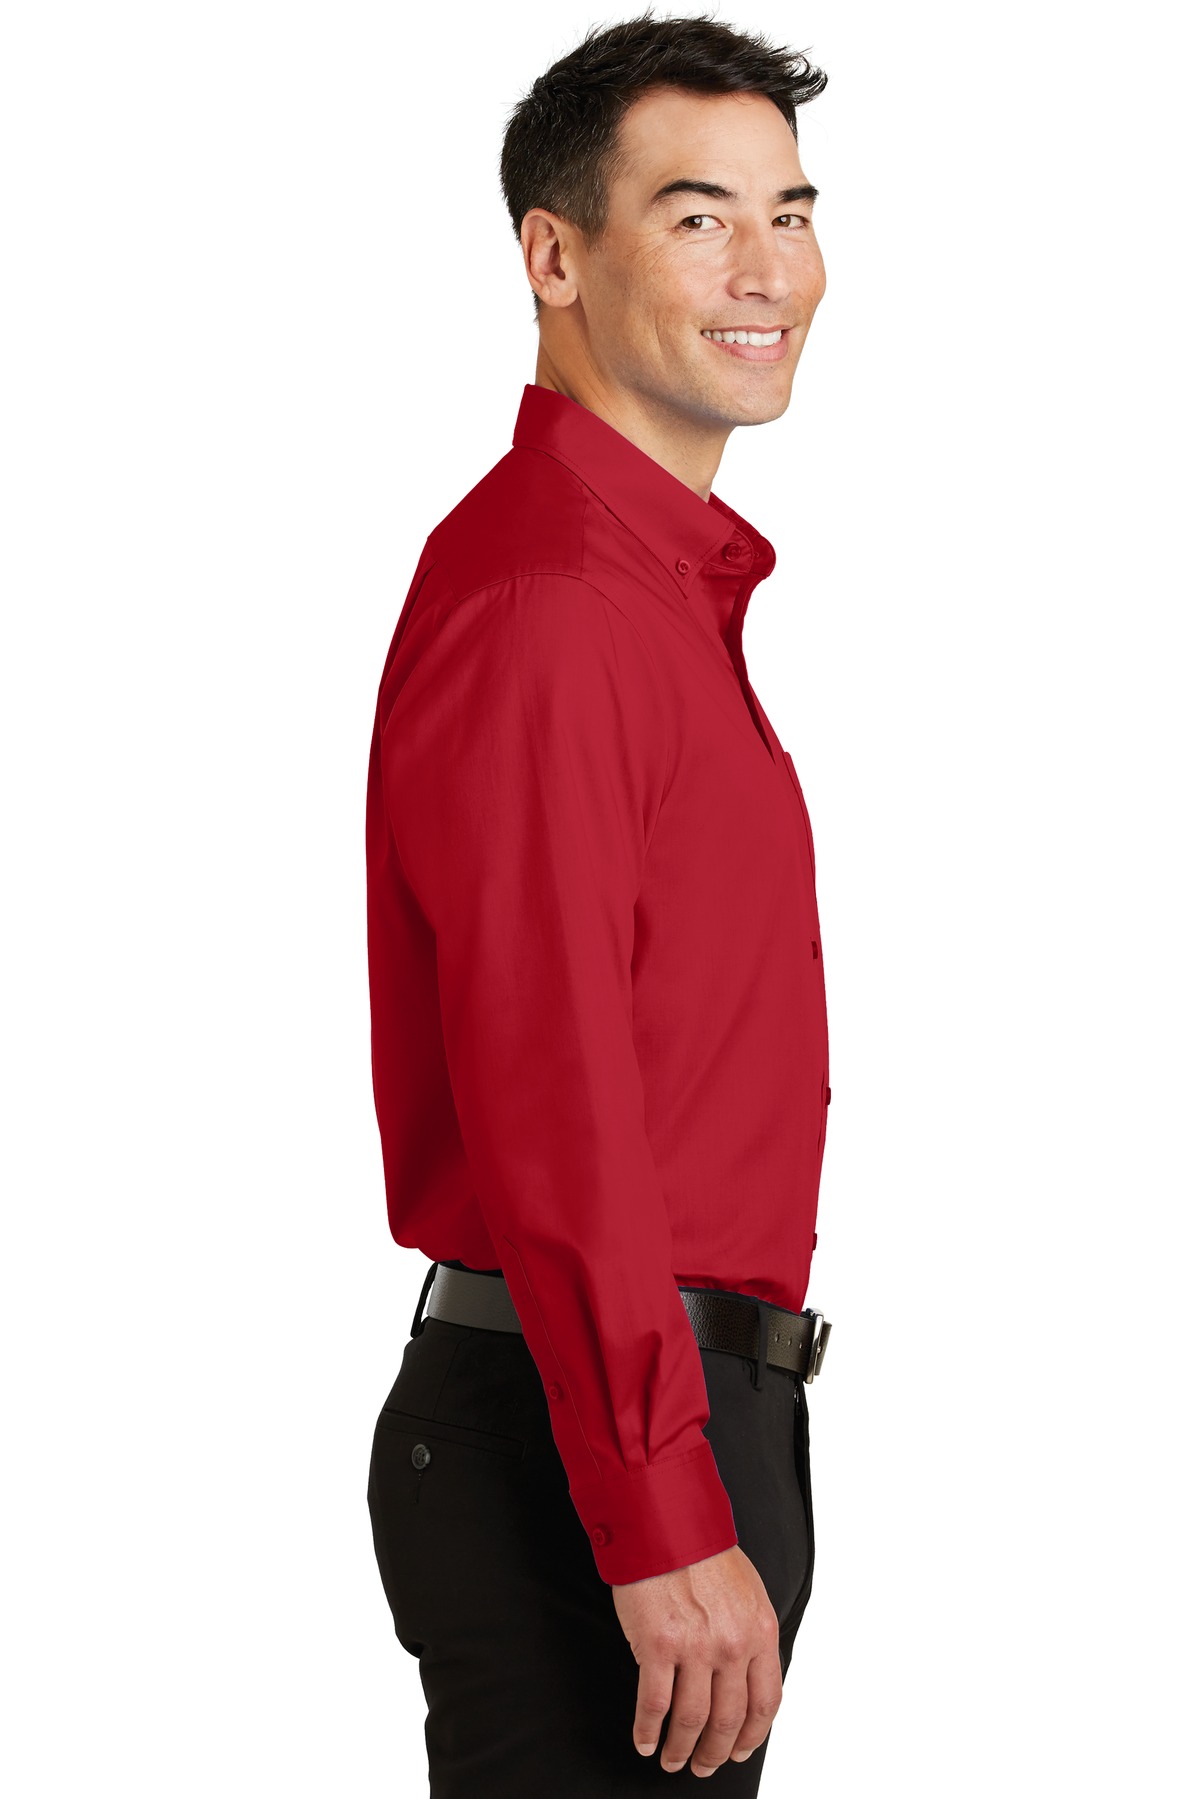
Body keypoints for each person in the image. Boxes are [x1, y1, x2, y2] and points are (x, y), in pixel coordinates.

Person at [364, 13, 833, 1793]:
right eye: (700, 217)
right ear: (554, 258)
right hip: (595, 1450)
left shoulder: (647, 596)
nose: (766, 270)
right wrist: (656, 1508)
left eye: (792, 214)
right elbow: (548, 1091)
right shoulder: (554, 602)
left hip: (661, 1421)